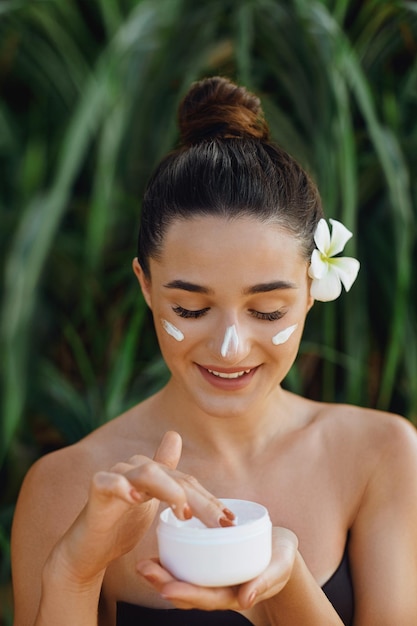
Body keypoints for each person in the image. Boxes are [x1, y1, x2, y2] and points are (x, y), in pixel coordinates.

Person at [11, 76, 417, 626]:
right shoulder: (65, 488)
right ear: (146, 287)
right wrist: (76, 571)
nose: (230, 347)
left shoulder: (382, 455)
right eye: (191, 309)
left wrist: (285, 580)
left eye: (267, 310)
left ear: (311, 288)